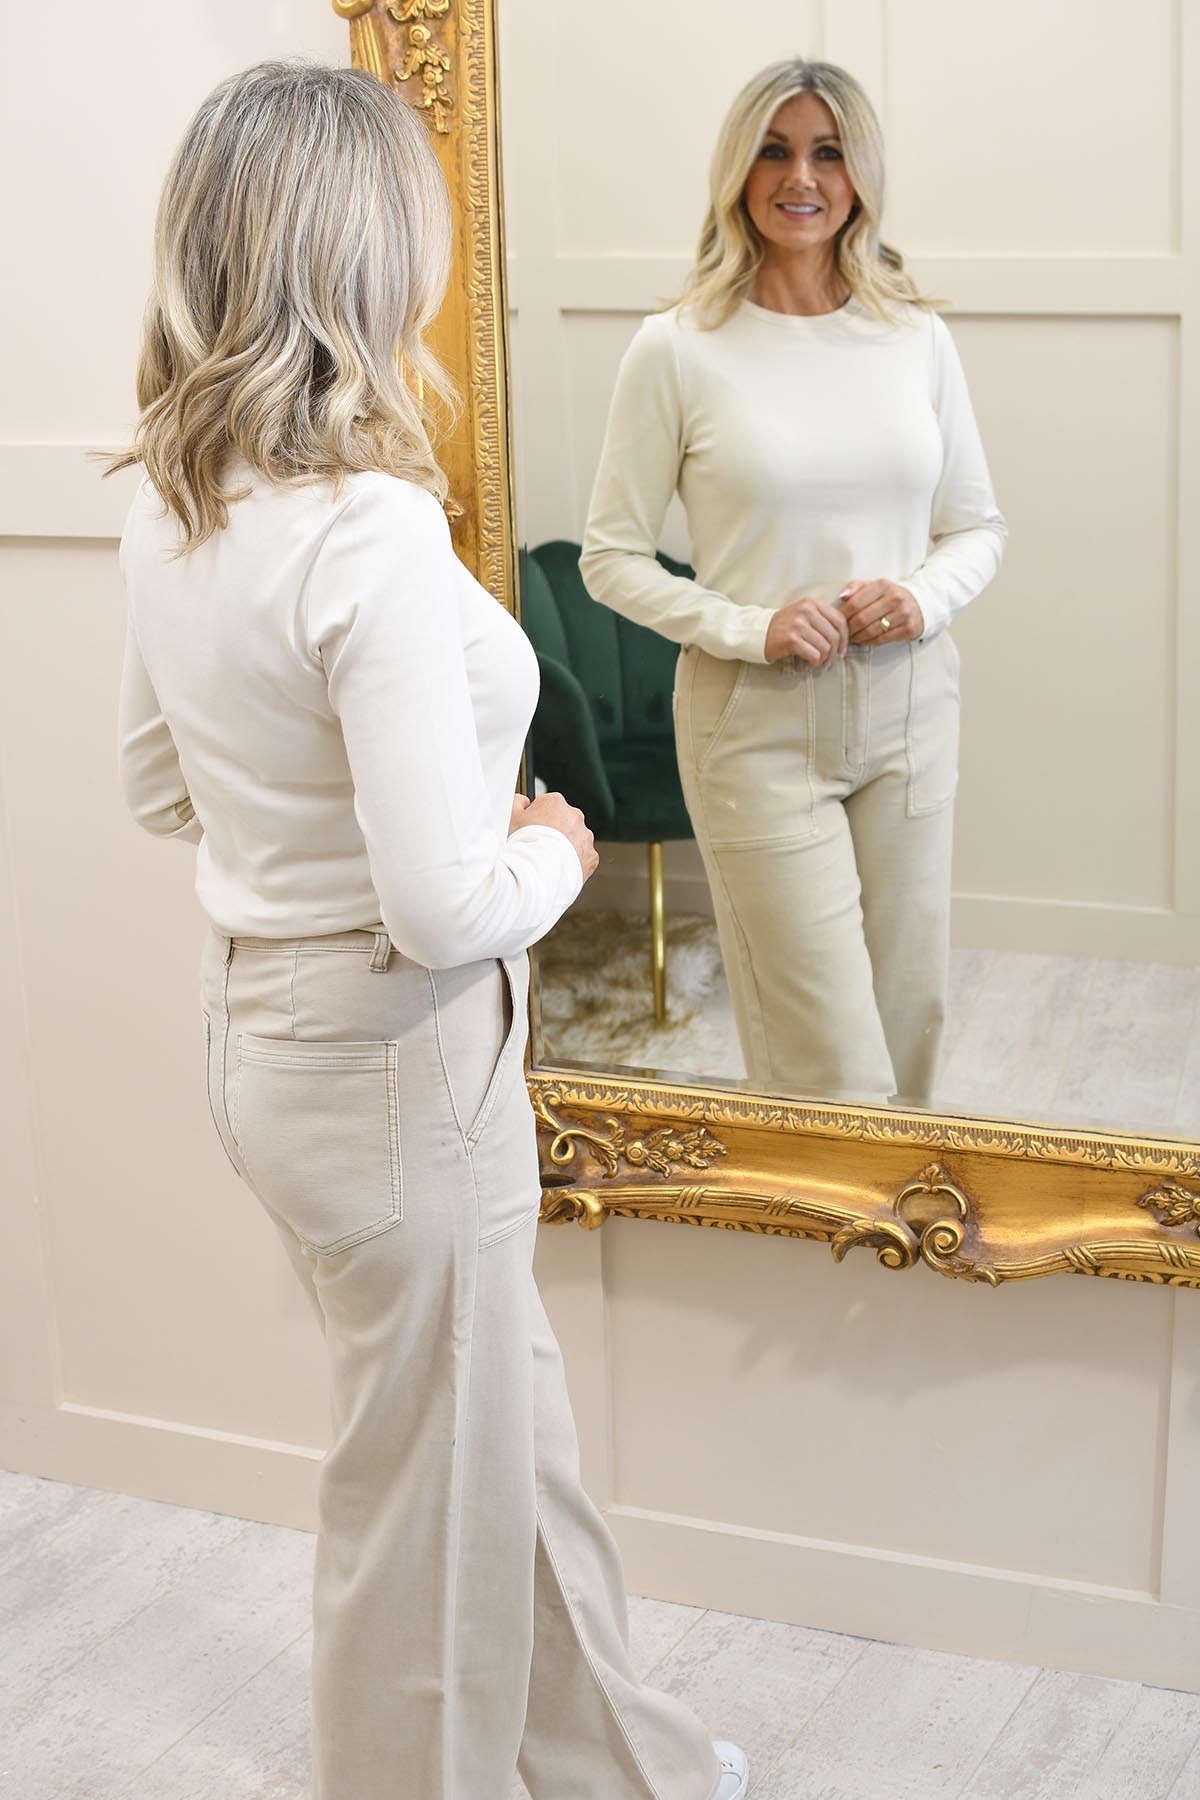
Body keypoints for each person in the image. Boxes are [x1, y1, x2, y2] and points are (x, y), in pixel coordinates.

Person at [111, 60, 747, 1800]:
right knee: (423, 1519)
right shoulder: (371, 532)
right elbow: (446, 904)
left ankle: (627, 1768)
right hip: (398, 1066)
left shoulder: (175, 498)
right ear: (367, 250)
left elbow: (158, 789)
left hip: (267, 1047)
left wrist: (298, 830)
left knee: (501, 1447)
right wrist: (550, 848)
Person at [580, 57, 1008, 1108]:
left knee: (910, 1026)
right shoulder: (676, 348)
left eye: (828, 152)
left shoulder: (916, 337)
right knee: (827, 1063)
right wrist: (752, 626)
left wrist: (921, 598)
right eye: (774, 150)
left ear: (861, 175)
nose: (801, 177)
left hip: (912, 707)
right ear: (738, 168)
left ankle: (907, 1217)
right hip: (754, 725)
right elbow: (610, 557)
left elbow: (976, 528)